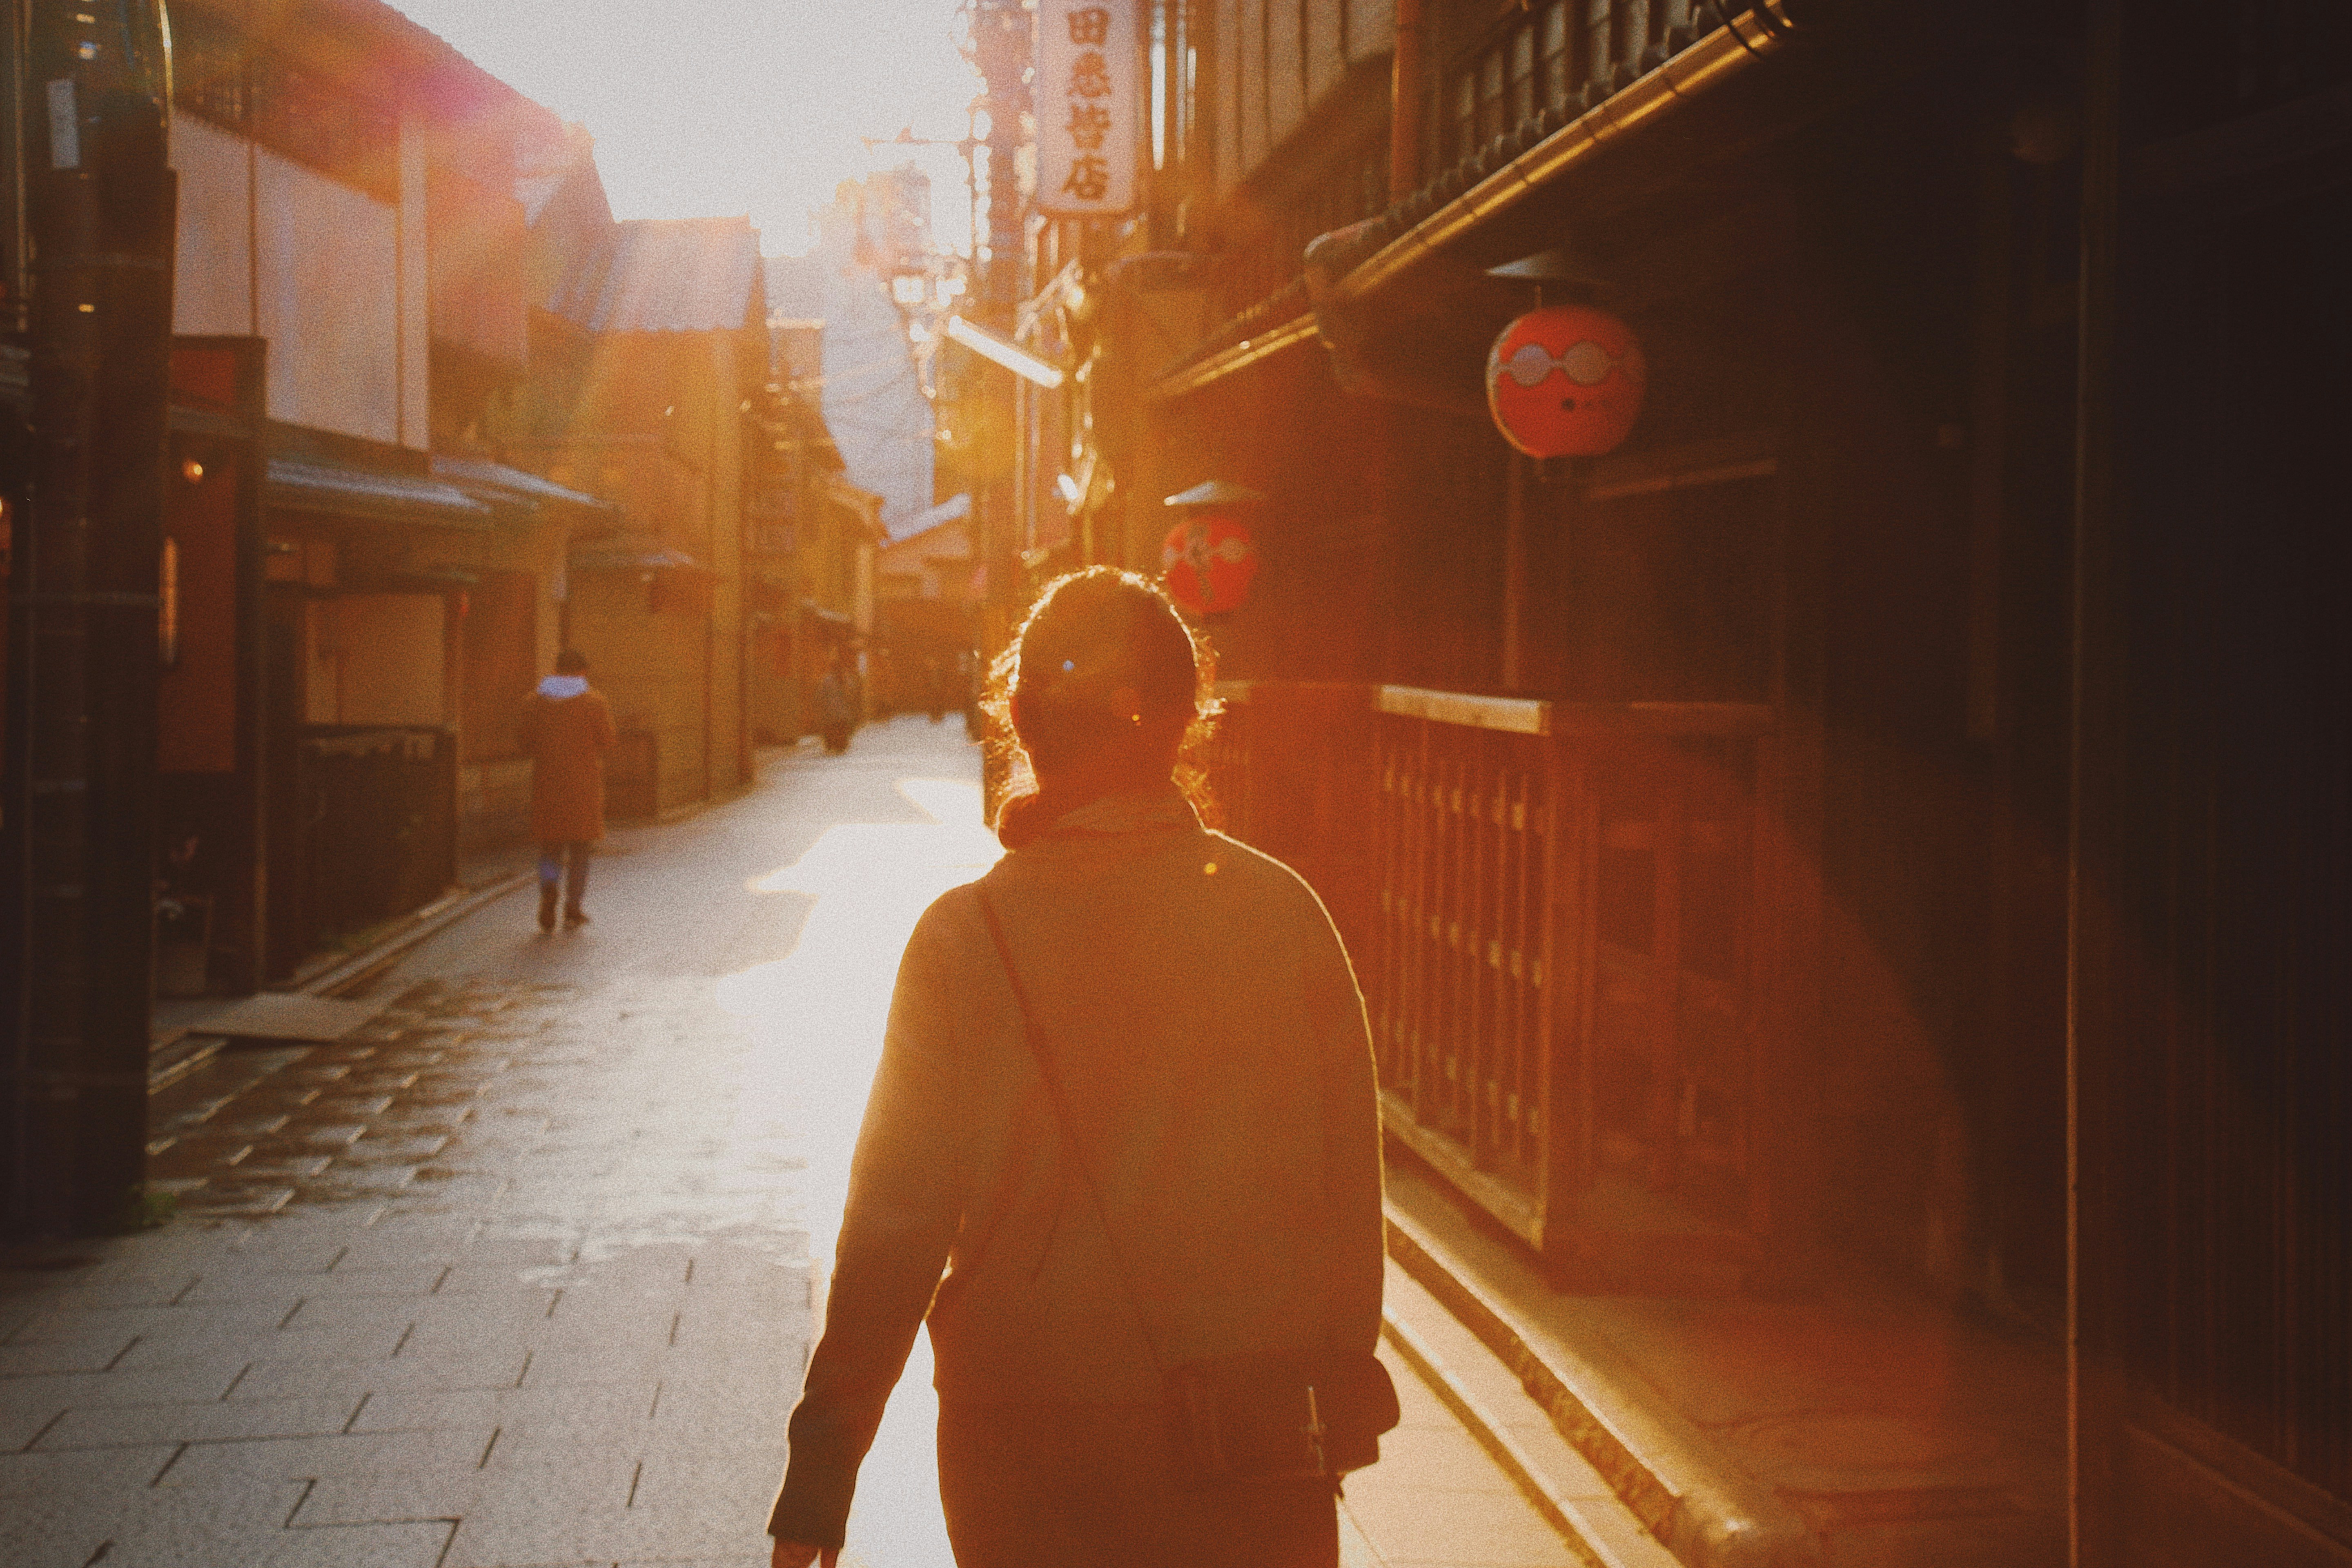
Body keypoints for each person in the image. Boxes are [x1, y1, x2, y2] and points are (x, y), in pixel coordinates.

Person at [766, 568, 1386, 1568]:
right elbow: (1345, 1203)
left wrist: (819, 1482)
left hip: (1027, 1435)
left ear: (1016, 718)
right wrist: (1328, 1394)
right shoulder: (1281, 916)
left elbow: (892, 1227)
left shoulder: (964, 939)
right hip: (1253, 1429)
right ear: (1185, 718)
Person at [517, 648, 615, 932]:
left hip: (547, 785)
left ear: (557, 669)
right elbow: (608, 740)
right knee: (581, 851)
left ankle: (549, 889)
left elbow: (524, 742)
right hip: (583, 786)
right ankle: (573, 906)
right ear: (583, 672)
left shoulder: (534, 702)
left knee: (550, 849)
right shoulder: (594, 703)